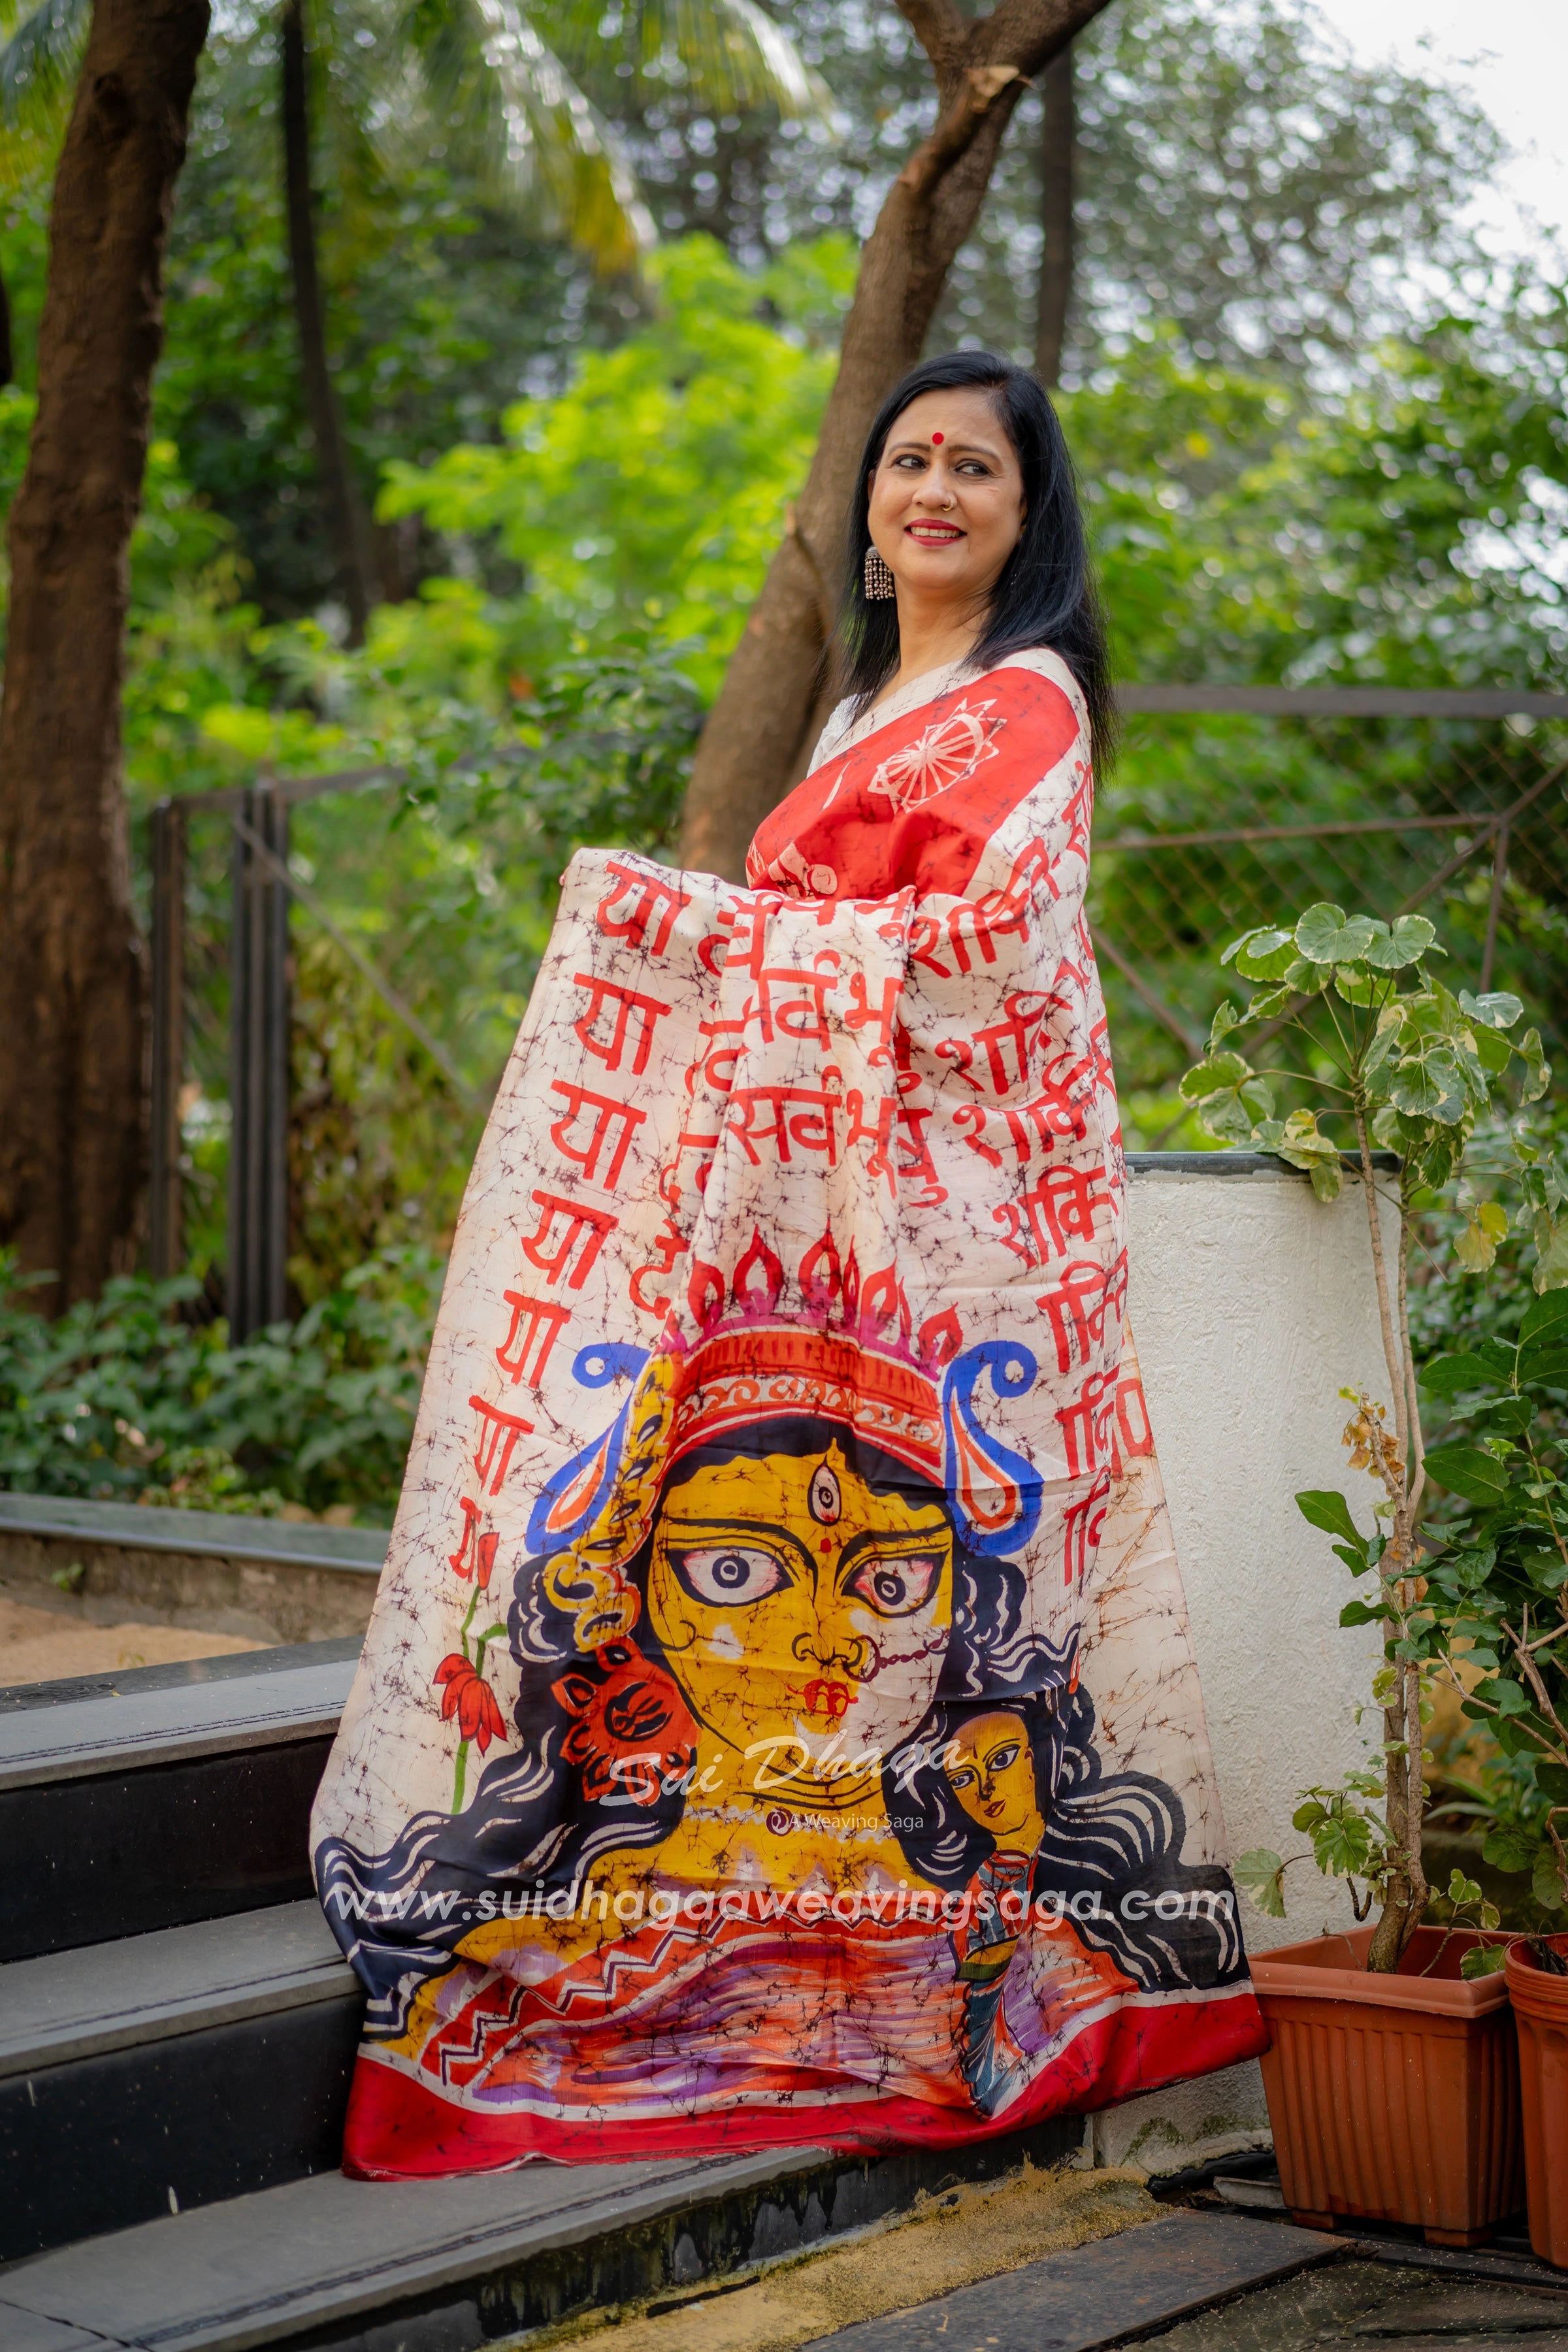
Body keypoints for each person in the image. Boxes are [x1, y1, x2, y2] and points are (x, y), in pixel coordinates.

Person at [310, 351, 1266, 2180]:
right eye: (906, 459)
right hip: (792, 1226)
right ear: (869, 500)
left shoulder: (1025, 697)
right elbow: (814, 931)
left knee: (914, 1620)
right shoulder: (854, 703)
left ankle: (922, 1971)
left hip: (943, 1237)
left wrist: (750, 954)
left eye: (973, 468)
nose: (932, 491)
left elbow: (998, 954)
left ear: (1024, 508)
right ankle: (725, 1952)